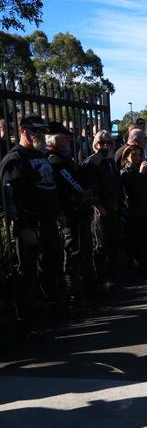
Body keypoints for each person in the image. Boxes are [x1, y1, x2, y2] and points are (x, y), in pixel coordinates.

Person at [0, 116, 64, 329]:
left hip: (48, 223)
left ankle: (54, 310)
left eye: (42, 132)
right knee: (27, 275)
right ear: (23, 131)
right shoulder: (15, 159)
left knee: (52, 268)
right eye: (35, 131)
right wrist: (23, 226)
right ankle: (28, 322)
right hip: (30, 226)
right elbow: (11, 197)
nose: (40, 136)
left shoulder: (41, 155)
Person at [47, 122, 95, 304]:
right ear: (54, 138)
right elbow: (74, 185)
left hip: (77, 212)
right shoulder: (55, 160)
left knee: (80, 251)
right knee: (72, 253)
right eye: (64, 135)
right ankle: (75, 293)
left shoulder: (64, 158)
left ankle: (83, 288)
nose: (68, 139)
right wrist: (84, 192)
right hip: (68, 215)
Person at [81, 130, 122, 289]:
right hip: (100, 210)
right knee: (101, 245)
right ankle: (101, 278)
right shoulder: (92, 162)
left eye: (109, 143)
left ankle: (113, 274)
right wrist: (98, 205)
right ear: (95, 144)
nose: (106, 146)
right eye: (102, 143)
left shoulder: (110, 161)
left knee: (114, 241)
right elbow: (89, 186)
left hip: (113, 206)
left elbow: (115, 183)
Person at [119, 145, 147, 274]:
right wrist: (141, 173)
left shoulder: (141, 170)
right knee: (135, 240)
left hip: (144, 208)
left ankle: (145, 264)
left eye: (139, 155)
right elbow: (131, 187)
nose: (137, 157)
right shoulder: (124, 172)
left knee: (145, 238)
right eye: (133, 155)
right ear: (127, 157)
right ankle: (135, 267)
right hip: (132, 210)